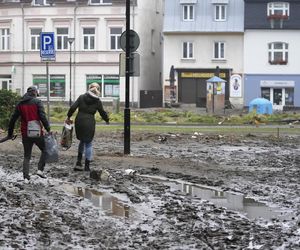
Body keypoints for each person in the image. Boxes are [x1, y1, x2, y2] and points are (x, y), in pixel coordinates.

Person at [7, 86, 51, 182]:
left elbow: (13, 119)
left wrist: (10, 133)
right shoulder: (37, 102)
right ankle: (40, 170)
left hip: (25, 132)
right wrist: (48, 129)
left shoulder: (20, 104)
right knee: (45, 149)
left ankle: (26, 177)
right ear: (34, 92)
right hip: (37, 132)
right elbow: (42, 117)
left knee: (27, 155)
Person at [66, 82, 109, 171]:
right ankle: (87, 166)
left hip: (80, 121)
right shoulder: (97, 101)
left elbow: (73, 107)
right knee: (88, 143)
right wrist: (107, 119)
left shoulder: (81, 97)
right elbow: (102, 112)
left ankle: (78, 161)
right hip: (89, 122)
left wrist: (69, 116)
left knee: (82, 140)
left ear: (89, 88)